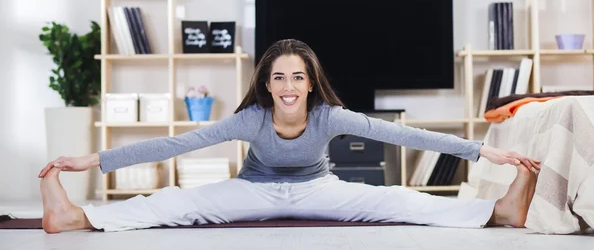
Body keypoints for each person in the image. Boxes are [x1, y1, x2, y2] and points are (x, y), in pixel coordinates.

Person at [38, 38, 540, 234]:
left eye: (297, 77)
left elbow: (402, 133)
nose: (288, 86)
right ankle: (74, 216)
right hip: (252, 189)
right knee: (175, 203)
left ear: (310, 81)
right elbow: (177, 144)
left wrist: (480, 149)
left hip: (319, 189)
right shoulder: (250, 117)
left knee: (398, 200)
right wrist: (94, 160)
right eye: (279, 77)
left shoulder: (330, 115)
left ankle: (500, 212)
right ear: (266, 83)